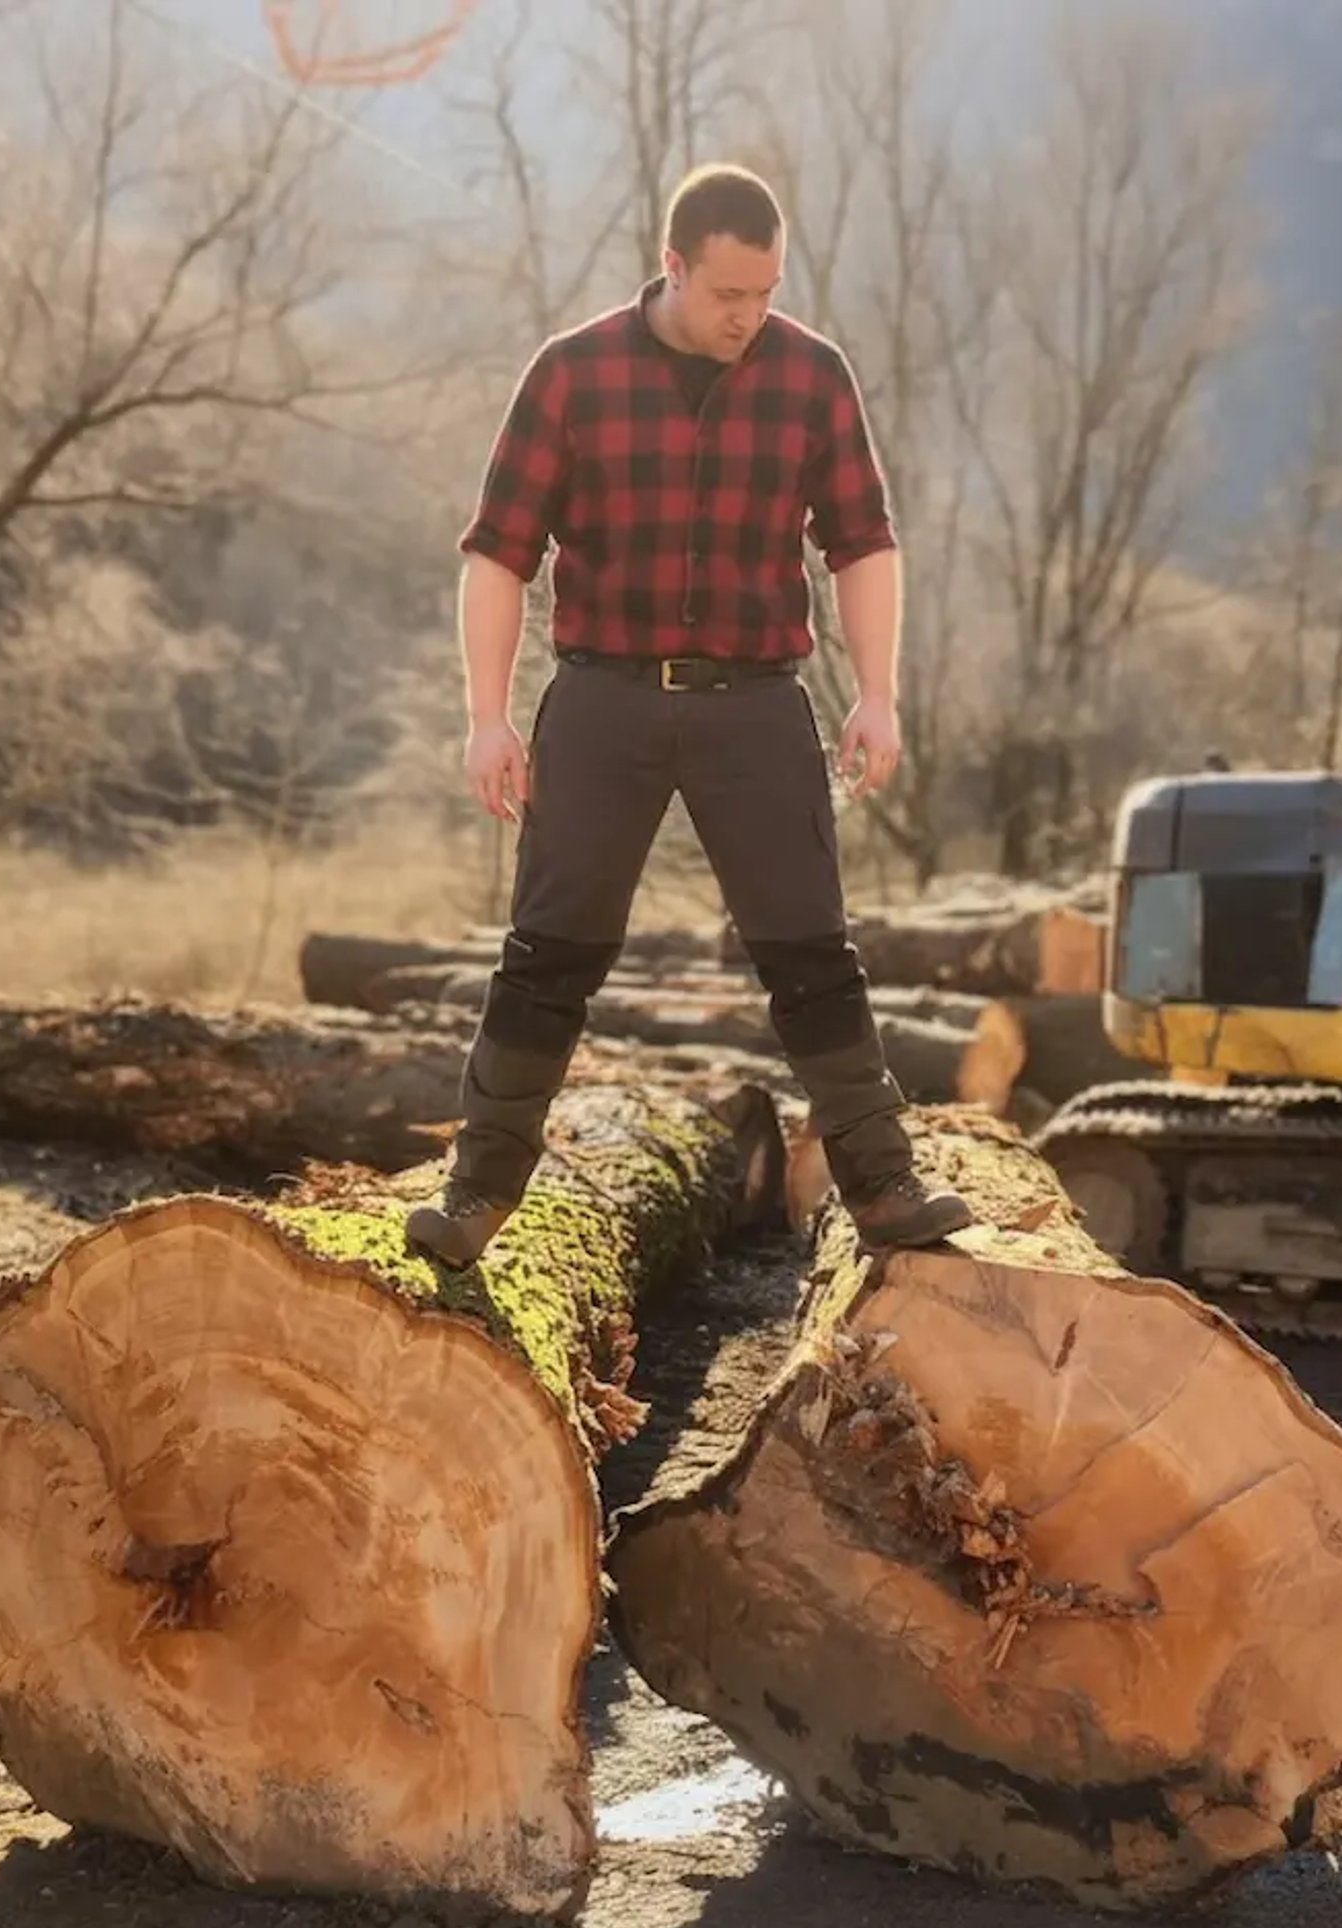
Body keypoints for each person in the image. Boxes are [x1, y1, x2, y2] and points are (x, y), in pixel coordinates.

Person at [405, 162, 973, 1268]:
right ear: (673, 266)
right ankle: (476, 1196)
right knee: (547, 956)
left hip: (758, 708)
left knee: (812, 953)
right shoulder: (572, 376)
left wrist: (878, 692)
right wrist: (486, 715)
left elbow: (862, 543)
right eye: (727, 295)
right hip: (603, 702)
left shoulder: (812, 377)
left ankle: (883, 1185)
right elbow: (496, 556)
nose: (748, 316)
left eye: (764, 293)